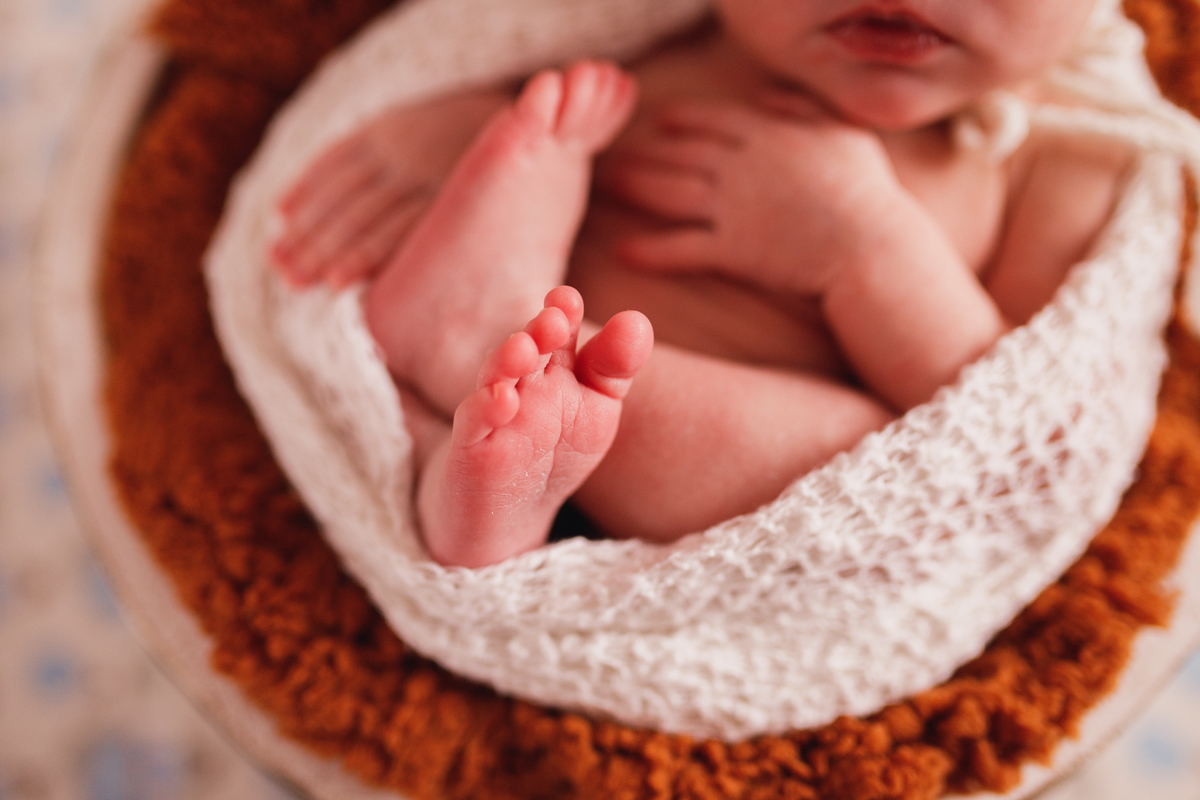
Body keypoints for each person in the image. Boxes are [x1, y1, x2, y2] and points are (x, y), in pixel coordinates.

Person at [268, 0, 1130, 567]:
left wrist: (865, 249)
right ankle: (476, 506)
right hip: (515, 388)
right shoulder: (670, 39)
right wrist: (467, 125)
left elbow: (1020, 446)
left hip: (737, 503)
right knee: (492, 422)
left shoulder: (1067, 158)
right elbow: (517, 66)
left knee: (861, 444)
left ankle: (472, 363)